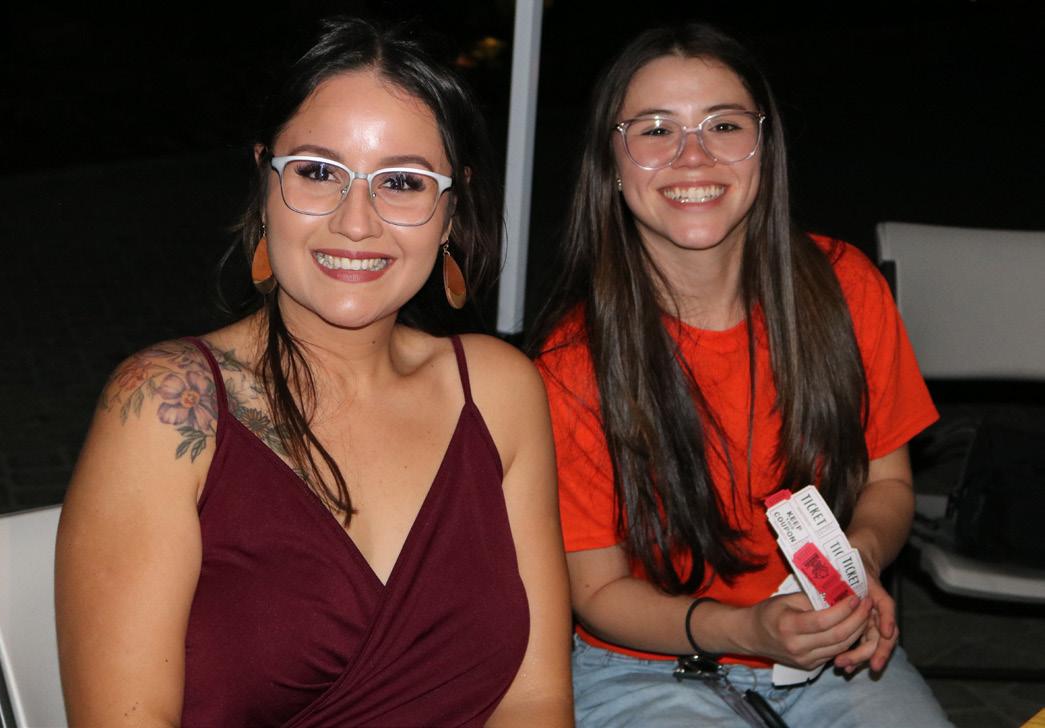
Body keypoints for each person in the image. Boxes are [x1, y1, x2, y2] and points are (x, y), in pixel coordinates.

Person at [55, 17, 572, 727]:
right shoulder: (168, 406)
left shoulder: (497, 391)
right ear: (265, 182)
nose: (356, 221)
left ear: (450, 211)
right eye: (318, 172)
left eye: (403, 182)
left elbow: (535, 699)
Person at [530, 22, 951, 728]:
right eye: (655, 130)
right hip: (642, 664)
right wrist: (750, 630)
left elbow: (888, 483)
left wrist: (855, 567)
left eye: (723, 125)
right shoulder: (569, 361)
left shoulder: (845, 287)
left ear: (765, 147)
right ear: (610, 161)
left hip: (834, 654)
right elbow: (597, 593)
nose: (692, 156)